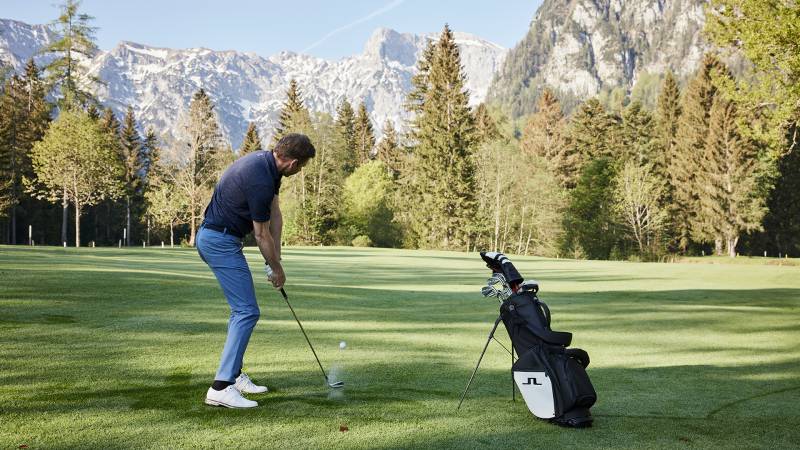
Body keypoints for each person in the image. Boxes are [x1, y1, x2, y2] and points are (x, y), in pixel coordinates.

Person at [197, 133, 315, 408]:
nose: (300, 172)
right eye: (302, 167)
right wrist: (276, 269)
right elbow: (260, 235)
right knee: (246, 311)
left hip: (222, 238)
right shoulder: (260, 179)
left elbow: (275, 214)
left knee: (242, 310)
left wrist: (277, 260)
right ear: (293, 163)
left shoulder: (267, 165)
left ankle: (234, 374)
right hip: (219, 241)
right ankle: (221, 387)